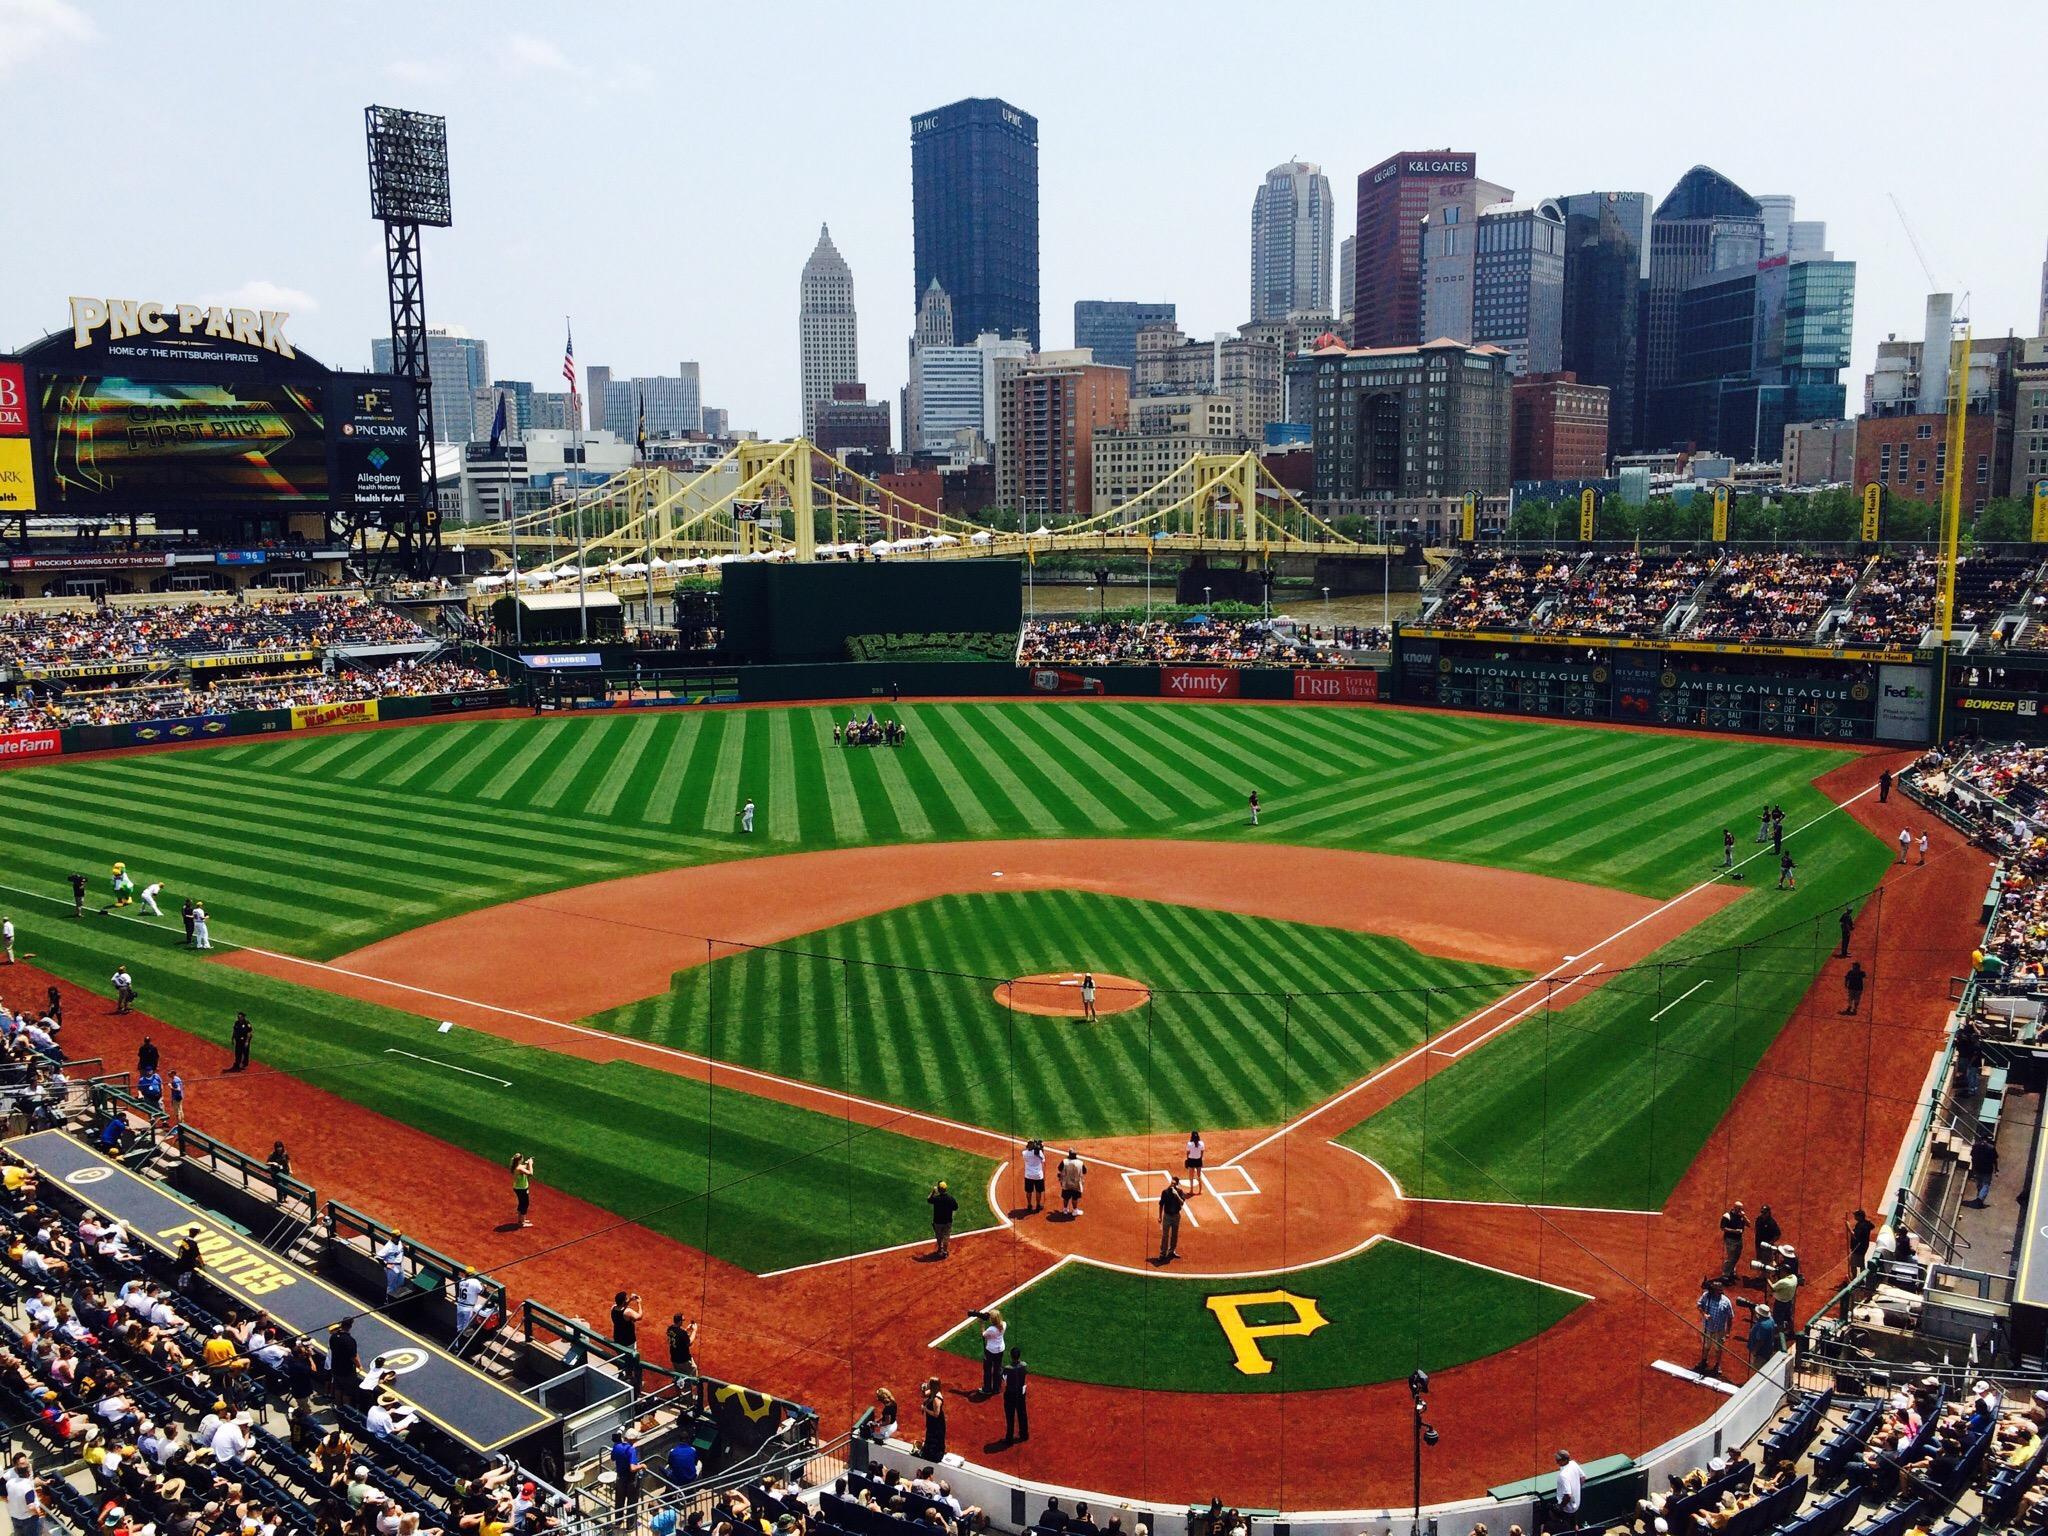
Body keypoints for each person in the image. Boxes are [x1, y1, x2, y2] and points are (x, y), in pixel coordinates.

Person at [1696, 1279, 1734, 1377]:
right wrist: (1704, 1314)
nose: (1712, 1292)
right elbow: (1699, 1305)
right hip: (1707, 1328)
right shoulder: (1706, 1296)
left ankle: (1717, 1365)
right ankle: (1704, 1361)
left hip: (1719, 1330)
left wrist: (1727, 1332)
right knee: (1706, 1346)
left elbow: (1730, 1317)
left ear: (1719, 1291)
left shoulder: (1726, 1302)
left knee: (1718, 1349)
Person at [973, 1308, 1005, 1397]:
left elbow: (984, 1335)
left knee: (987, 1369)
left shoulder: (991, 1329)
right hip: (1000, 1350)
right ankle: (996, 1388)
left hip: (991, 1351)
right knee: (997, 1368)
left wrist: (982, 1324)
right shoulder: (1004, 1325)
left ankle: (987, 1389)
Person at [609, 1428, 640, 1517]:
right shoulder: (631, 1450)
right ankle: (630, 1525)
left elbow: (613, 1458)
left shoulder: (617, 1446)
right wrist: (642, 1466)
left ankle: (618, 1522)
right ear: (632, 1439)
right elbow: (632, 1468)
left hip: (620, 1478)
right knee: (631, 1503)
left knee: (619, 1501)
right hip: (630, 1480)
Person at [1001, 1349, 1029, 1445]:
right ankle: (1024, 1435)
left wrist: (1002, 1370)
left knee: (1010, 1416)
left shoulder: (1007, 1368)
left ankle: (1009, 1439)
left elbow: (1003, 1377)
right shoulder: (1024, 1365)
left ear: (1011, 1356)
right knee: (1022, 1414)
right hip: (1021, 1393)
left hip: (1010, 1394)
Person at [1966, 1132, 1998, 1207]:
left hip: (1977, 1168)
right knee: (1986, 1184)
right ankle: (1979, 1199)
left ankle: (1979, 1199)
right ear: (1987, 1139)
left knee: (1979, 1184)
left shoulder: (1975, 1146)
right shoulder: (1991, 1148)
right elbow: (1995, 1160)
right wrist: (1996, 1169)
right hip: (1987, 1169)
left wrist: (1973, 1167)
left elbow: (1972, 1157)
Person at [1157, 1178, 1186, 1263]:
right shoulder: (1165, 1192)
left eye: (1174, 1183)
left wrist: (1176, 1195)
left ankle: (1171, 1251)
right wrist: (1160, 1217)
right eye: (1171, 1183)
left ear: (1177, 1184)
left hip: (1176, 1216)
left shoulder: (1180, 1192)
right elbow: (1161, 1204)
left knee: (1174, 1235)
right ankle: (1163, 1254)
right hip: (1167, 1216)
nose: (1172, 1185)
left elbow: (1182, 1203)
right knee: (1165, 1235)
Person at [1552, 1452, 1584, 1528]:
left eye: (1558, 1460)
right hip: (1576, 1504)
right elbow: (1583, 1478)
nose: (1556, 1461)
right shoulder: (1573, 1464)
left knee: (1567, 1527)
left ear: (1565, 1460)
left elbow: (1568, 1495)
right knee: (1574, 1524)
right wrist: (1576, 1489)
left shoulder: (1563, 1475)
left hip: (1567, 1509)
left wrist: (1560, 1506)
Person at [928, 1180, 958, 1259]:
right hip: (948, 1221)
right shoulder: (950, 1199)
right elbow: (955, 1207)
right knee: (946, 1237)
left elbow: (929, 1199)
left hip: (938, 1222)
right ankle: (944, 1251)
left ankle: (939, 1249)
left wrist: (933, 1192)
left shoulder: (936, 1199)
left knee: (939, 1236)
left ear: (939, 1189)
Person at [1747, 1302, 1782, 1368]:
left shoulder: (1762, 1326)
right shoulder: (1771, 1320)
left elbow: (1760, 1341)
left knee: (1758, 1370)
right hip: (1768, 1349)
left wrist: (1754, 1351)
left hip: (1760, 1354)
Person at [1719, 1202, 1747, 1283]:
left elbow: (1748, 1224)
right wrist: (1735, 1231)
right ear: (1735, 1208)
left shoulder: (1741, 1216)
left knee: (1737, 1256)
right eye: (1740, 1209)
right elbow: (1723, 1228)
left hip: (1739, 1239)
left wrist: (1744, 1216)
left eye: (1742, 1209)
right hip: (1730, 1240)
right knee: (1731, 1257)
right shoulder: (1727, 1216)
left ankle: (1732, 1271)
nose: (1741, 1210)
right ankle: (1725, 1275)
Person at [919, 1377, 946, 1461]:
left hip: (936, 1423)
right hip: (931, 1421)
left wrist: (925, 1409)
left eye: (929, 1383)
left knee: (935, 1438)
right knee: (930, 1435)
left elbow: (936, 1414)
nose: (927, 1384)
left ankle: (935, 1456)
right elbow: (923, 1395)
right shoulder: (932, 1392)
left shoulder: (936, 1399)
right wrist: (923, 1389)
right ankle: (929, 1452)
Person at [1057, 1148, 1087, 1218]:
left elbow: (1059, 1168)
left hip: (1066, 1183)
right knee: (1075, 1198)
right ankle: (1075, 1211)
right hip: (1076, 1184)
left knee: (1066, 1197)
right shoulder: (1080, 1162)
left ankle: (1065, 1209)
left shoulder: (1064, 1161)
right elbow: (1085, 1171)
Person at [454, 1268, 484, 1335]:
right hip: (468, 1308)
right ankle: (462, 1342)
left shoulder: (462, 1281)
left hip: (459, 1306)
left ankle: (457, 1343)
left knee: (459, 1327)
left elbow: (469, 1286)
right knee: (465, 1328)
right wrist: (484, 1285)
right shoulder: (475, 1282)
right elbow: (481, 1291)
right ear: (473, 1274)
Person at [1847, 1209, 1877, 1275]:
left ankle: (1855, 1279)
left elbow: (1855, 1236)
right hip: (1864, 1246)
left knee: (1853, 1263)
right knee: (1860, 1262)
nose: (1854, 1217)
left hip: (1858, 1247)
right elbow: (1872, 1226)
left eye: (1856, 1215)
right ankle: (1860, 1278)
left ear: (1860, 1217)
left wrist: (1848, 1227)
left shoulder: (1860, 1226)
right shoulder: (1866, 1224)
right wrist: (1866, 1222)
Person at [1020, 1140, 1046, 1215]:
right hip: (1038, 1176)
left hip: (1028, 1175)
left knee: (1029, 1191)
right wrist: (1041, 1149)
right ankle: (1038, 1205)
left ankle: (1029, 1205)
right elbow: (1043, 1160)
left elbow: (1030, 1152)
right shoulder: (1039, 1153)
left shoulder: (1024, 1153)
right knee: (1038, 1191)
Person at [510, 1152, 533, 1227]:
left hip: (518, 1188)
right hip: (522, 1189)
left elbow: (523, 1167)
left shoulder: (516, 1166)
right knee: (525, 1204)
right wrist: (530, 1164)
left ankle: (521, 1219)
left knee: (521, 1203)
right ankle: (522, 1223)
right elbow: (530, 1174)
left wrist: (527, 1163)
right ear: (520, 1160)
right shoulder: (519, 1168)